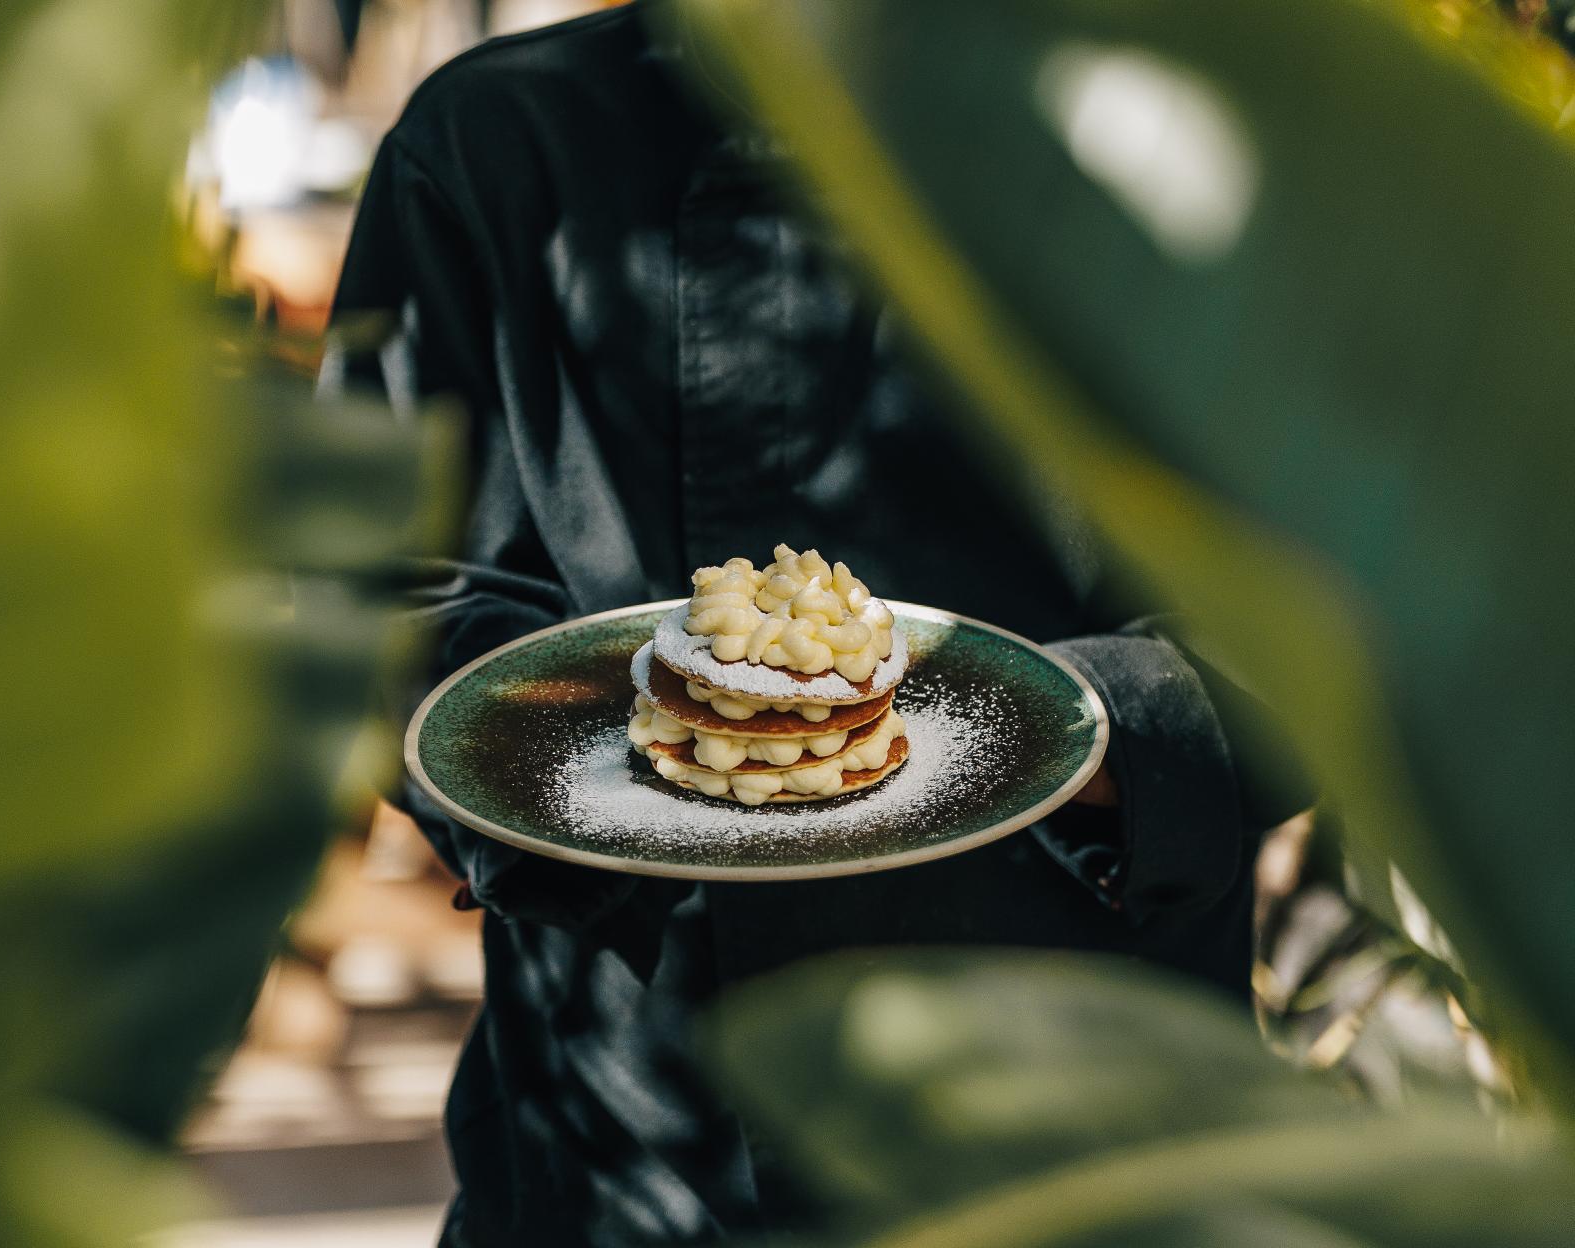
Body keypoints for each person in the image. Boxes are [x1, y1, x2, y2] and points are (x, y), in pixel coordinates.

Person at [326, 3, 1306, 1242]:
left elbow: (1349, 644)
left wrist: (1066, 739)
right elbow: (387, 590)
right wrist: (605, 767)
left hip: (1100, 1139)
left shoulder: (1204, 152)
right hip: (631, 1152)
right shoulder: (493, 141)